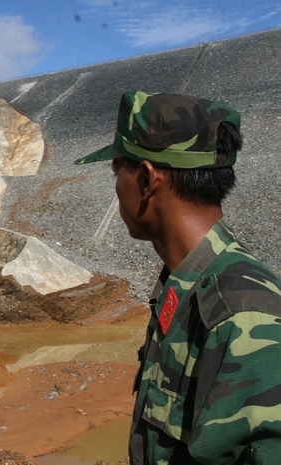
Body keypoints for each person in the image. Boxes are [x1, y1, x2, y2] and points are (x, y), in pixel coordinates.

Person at [74, 91, 281, 464]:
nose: (116, 187)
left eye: (116, 170)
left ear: (147, 178)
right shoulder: (186, 284)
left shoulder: (239, 312)